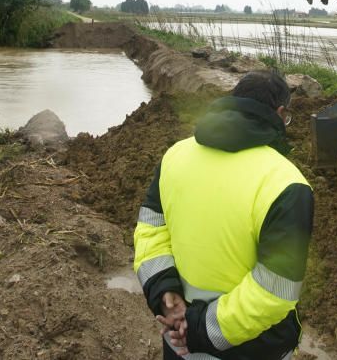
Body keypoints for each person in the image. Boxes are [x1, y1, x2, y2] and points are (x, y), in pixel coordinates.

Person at [133, 69, 314, 360]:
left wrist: (165, 293)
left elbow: (150, 230)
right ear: (281, 113)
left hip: (178, 337)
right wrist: (201, 328)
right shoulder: (286, 184)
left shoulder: (175, 157)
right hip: (250, 346)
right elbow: (275, 290)